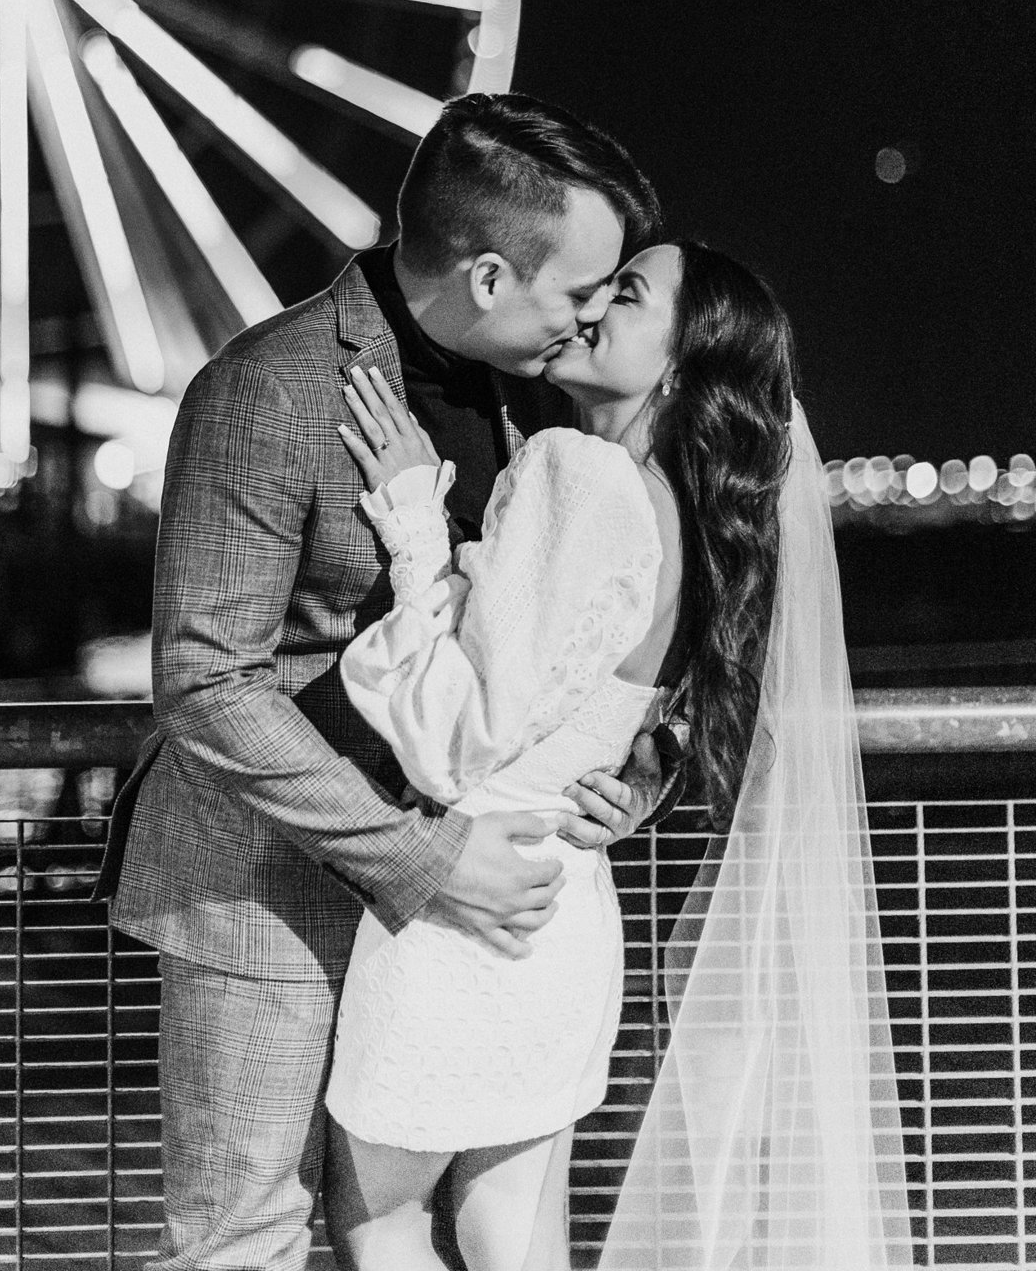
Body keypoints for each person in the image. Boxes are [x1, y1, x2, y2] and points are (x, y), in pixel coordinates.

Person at [95, 92, 668, 1271]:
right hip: (265, 892)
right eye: (580, 289)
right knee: (245, 1237)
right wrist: (418, 856)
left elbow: (577, 638)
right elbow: (205, 679)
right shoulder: (268, 389)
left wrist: (634, 775)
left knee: (456, 1225)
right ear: (494, 276)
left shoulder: (540, 402)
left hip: (458, 908)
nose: (597, 314)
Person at [322, 241, 909, 1270]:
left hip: (470, 898)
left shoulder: (578, 473)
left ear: (680, 364)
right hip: (566, 909)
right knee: (510, 1230)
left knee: (383, 1221)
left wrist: (416, 519)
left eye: (626, 294)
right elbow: (621, 703)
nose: (590, 304)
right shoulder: (693, 515)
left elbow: (453, 741)